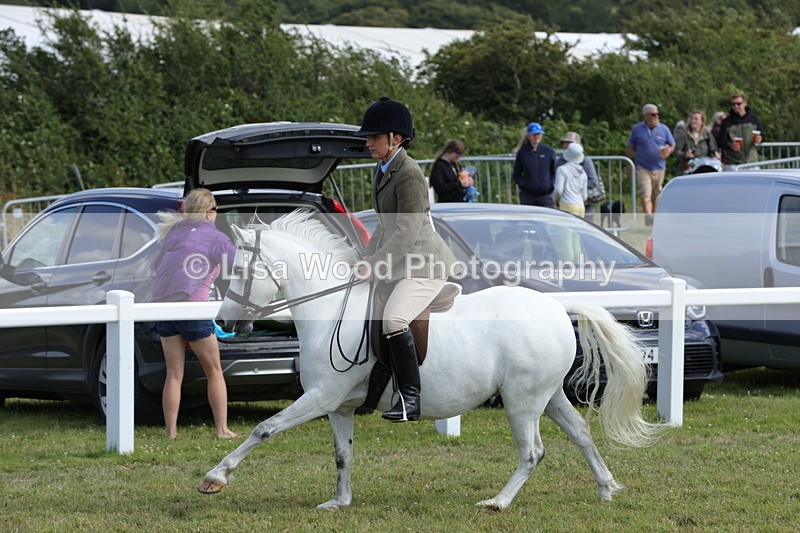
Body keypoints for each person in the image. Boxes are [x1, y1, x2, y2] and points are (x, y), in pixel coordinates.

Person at [354, 96, 458, 423]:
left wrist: (374, 264)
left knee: (394, 320)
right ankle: (372, 395)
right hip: (401, 262)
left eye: (374, 136)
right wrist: (367, 256)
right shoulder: (382, 168)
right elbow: (384, 227)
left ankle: (410, 398)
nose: (367, 141)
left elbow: (406, 231)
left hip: (424, 264)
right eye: (368, 136)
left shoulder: (409, 172)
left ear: (395, 139)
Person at [152, 188, 239, 439]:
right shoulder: (215, 237)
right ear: (207, 212)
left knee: (174, 374)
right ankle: (222, 430)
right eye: (215, 210)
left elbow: (157, 268)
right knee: (214, 371)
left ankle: (171, 432)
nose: (216, 215)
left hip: (165, 309)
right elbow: (239, 265)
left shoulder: (173, 234)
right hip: (194, 308)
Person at [625, 103, 675, 226]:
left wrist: (669, 150)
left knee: (657, 195)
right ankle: (648, 217)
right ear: (646, 115)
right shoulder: (637, 129)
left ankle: (653, 218)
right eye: (653, 114)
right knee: (645, 193)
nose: (656, 116)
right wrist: (628, 164)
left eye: (657, 114)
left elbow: (672, 144)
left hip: (659, 167)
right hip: (643, 167)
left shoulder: (664, 129)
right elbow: (630, 147)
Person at [555, 131, 600, 220]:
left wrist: (573, 186)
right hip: (566, 201)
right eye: (565, 143)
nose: (567, 145)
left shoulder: (585, 161)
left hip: (585, 203)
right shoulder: (560, 161)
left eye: (570, 143)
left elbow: (593, 181)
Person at [512, 122, 557, 208]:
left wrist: (550, 185)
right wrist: (524, 185)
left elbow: (553, 171)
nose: (536, 137)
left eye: (538, 134)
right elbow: (517, 173)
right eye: (534, 134)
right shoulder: (522, 153)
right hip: (528, 196)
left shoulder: (548, 151)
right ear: (529, 136)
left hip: (545, 195)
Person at [718, 93, 764, 170]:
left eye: (738, 104)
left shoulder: (754, 119)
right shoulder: (727, 122)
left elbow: (763, 135)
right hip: (733, 163)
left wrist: (760, 139)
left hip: (752, 162)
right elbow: (720, 141)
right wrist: (730, 146)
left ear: (745, 104)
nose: (736, 106)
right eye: (733, 104)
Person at [674, 110, 719, 176]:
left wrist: (715, 154)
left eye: (696, 119)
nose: (693, 121)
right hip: (687, 169)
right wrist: (685, 155)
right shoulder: (684, 135)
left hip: (703, 168)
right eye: (691, 118)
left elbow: (713, 149)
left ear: (702, 122)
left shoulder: (707, 135)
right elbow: (676, 151)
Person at [553, 142, 588, 217]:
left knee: (565, 228)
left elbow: (558, 190)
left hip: (567, 204)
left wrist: (554, 200)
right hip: (580, 205)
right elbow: (585, 196)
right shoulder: (583, 172)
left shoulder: (562, 169)